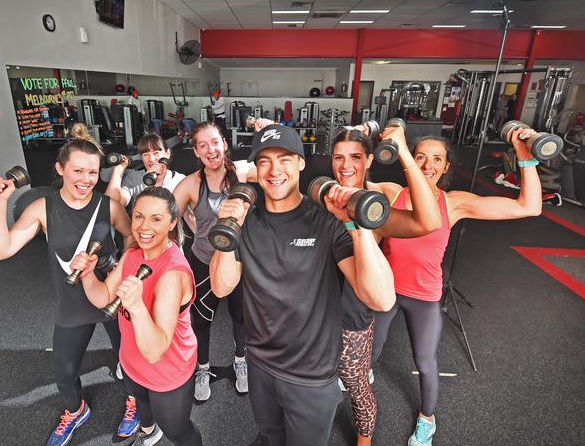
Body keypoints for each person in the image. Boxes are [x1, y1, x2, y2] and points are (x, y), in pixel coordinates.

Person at [210, 124, 395, 446]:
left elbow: (381, 299)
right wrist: (227, 230)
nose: (274, 170)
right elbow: (222, 287)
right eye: (264, 161)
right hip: (261, 365)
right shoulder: (248, 222)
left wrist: (357, 226)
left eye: (284, 159)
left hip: (311, 376)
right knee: (270, 436)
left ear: (301, 162)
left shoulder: (326, 221)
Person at [371, 129, 543, 446]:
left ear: (447, 167)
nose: (427, 164)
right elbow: (346, 184)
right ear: (406, 158)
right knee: (371, 350)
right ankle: (361, 377)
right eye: (420, 155)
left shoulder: (454, 204)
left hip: (423, 296)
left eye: (436, 159)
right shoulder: (392, 193)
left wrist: (524, 154)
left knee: (425, 362)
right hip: (386, 291)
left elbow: (528, 207)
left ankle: (427, 420)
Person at [0, 124, 138, 446]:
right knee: (64, 373)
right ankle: (76, 410)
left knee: (132, 362)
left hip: (109, 296)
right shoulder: (43, 208)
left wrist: (121, 268)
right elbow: (0, 251)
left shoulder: (108, 207)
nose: (85, 179)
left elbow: (131, 236)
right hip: (73, 302)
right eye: (77, 170)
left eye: (92, 172)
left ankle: (136, 402)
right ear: (59, 169)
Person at [331, 125, 442, 446]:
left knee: (357, 388)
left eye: (355, 157)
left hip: (353, 321)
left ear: (369, 160)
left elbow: (428, 222)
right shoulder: (324, 196)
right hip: (317, 319)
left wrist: (405, 152)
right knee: (318, 388)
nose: (346, 165)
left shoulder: (374, 205)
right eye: (338, 157)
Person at [70, 187, 202, 446]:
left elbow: (155, 351)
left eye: (156, 219)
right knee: (142, 406)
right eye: (139, 216)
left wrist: (137, 307)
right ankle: (149, 430)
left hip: (167, 372)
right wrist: (87, 275)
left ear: (173, 222)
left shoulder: (172, 274)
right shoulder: (132, 255)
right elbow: (104, 296)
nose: (144, 227)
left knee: (178, 432)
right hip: (131, 363)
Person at [172, 121, 258, 401]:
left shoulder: (243, 172)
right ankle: (203, 368)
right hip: (203, 261)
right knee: (201, 320)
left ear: (224, 143)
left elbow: (280, 170)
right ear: (196, 151)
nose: (211, 149)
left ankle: (240, 360)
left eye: (215, 142)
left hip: (239, 261)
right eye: (203, 145)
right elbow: (165, 216)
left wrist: (269, 129)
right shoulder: (190, 184)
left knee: (241, 317)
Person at [106, 133, 186, 210]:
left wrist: (157, 184)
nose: (151, 159)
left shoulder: (181, 180)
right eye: (145, 155)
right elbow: (111, 207)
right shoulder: (134, 178)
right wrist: (118, 170)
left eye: (156, 153)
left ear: (167, 153)